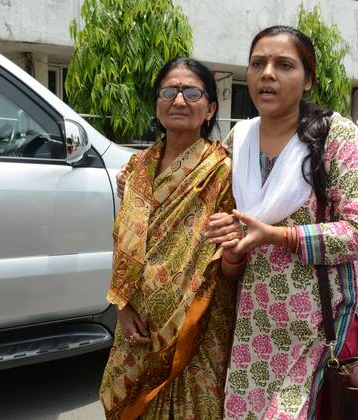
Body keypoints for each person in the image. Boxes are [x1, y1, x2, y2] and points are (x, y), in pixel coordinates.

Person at [205, 26, 358, 419]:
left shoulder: (337, 137)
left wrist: (278, 236)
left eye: (284, 65)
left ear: (309, 78)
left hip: (323, 318)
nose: (267, 74)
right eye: (257, 64)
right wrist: (231, 245)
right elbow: (237, 232)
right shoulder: (240, 139)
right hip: (257, 320)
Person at [99, 57, 238, 419]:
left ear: (209, 109)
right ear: (157, 106)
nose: (179, 100)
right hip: (139, 324)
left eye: (192, 92)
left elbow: (229, 258)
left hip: (198, 324)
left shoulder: (224, 171)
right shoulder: (134, 170)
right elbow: (123, 241)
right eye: (169, 91)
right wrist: (124, 306)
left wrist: (235, 250)